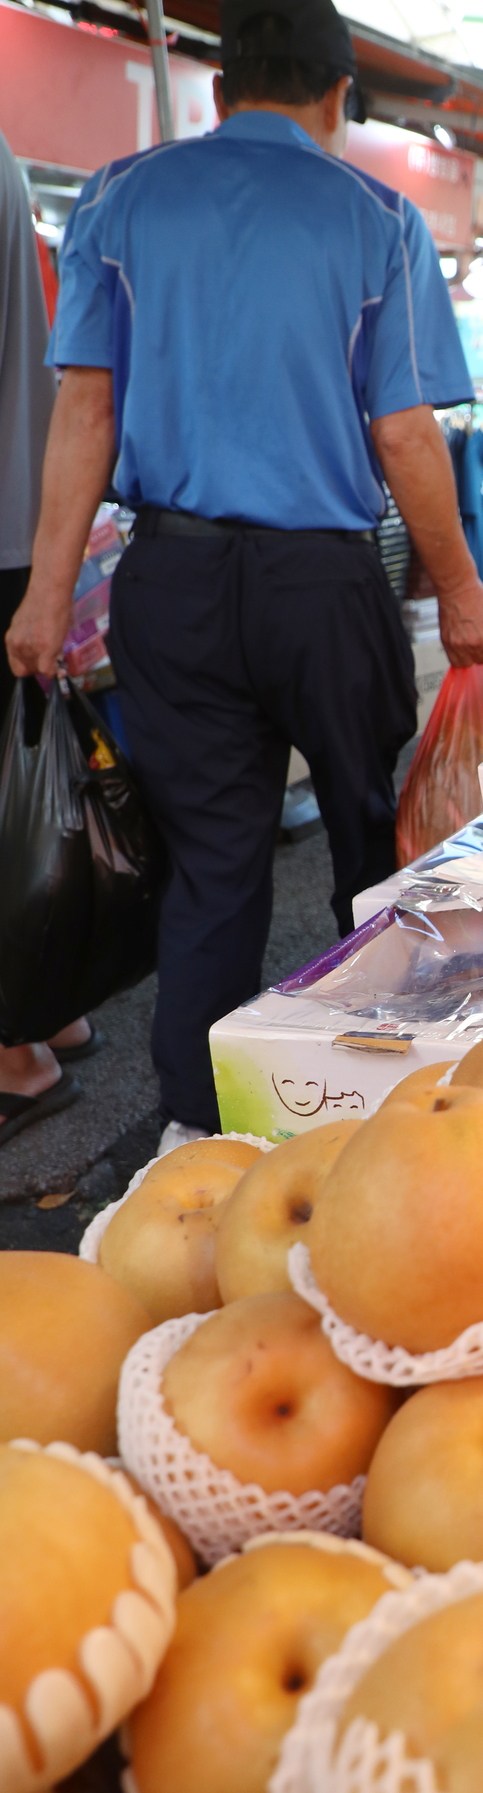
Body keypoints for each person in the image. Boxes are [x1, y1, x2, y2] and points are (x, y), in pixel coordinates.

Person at [6, 0, 483, 1155]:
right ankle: (386, 1105)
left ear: (220, 92)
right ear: (339, 100)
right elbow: (404, 433)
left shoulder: (120, 198)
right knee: (367, 837)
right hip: (322, 588)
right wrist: (464, 589)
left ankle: (197, 1129)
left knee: (212, 860)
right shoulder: (377, 217)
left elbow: (85, 407)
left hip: (168, 585)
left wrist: (44, 593)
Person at [0, 126, 95, 1146]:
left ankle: (15, 1051)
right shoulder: (7, 158)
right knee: (21, 783)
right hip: (18, 523)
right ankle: (51, 1012)